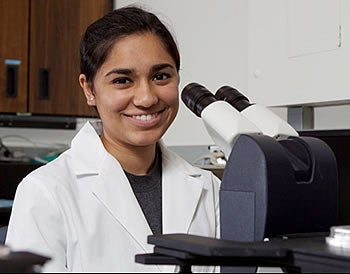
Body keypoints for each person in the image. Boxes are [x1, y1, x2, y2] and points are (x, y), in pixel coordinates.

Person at [5, 6, 220, 272]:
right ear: (89, 89)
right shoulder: (45, 192)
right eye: (122, 80)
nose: (147, 98)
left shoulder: (210, 189)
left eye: (161, 76)